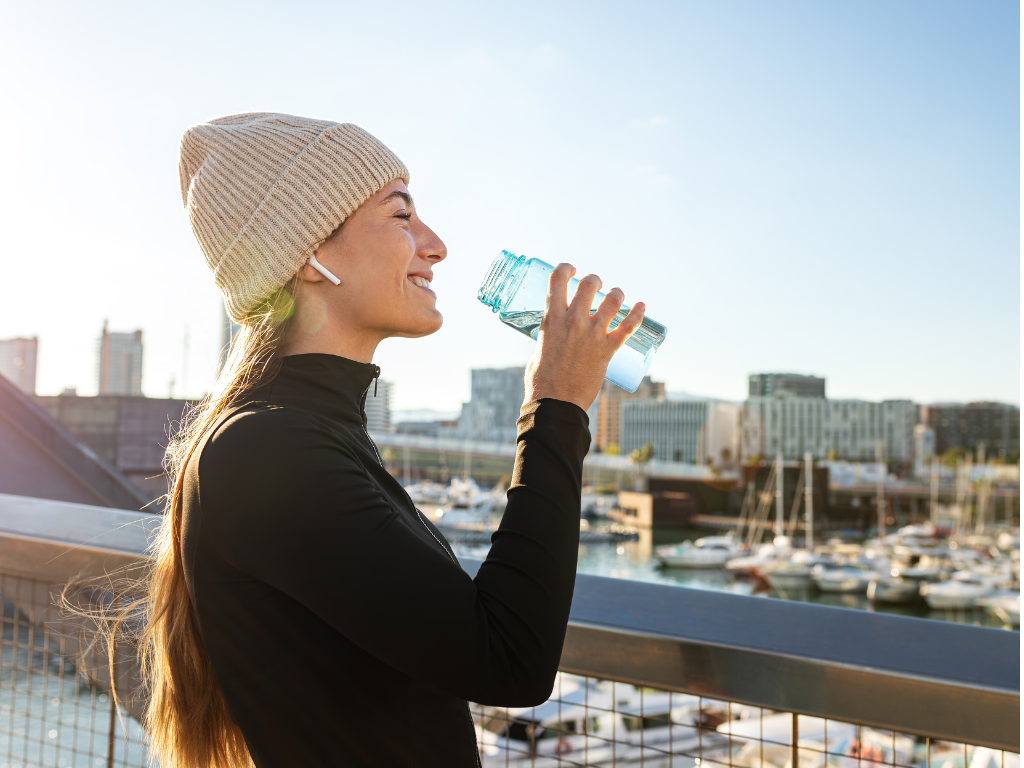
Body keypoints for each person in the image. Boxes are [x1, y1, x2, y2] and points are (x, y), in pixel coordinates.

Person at [143, 112, 644, 767]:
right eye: (402, 215)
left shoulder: (296, 435)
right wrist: (556, 408)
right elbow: (508, 660)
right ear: (312, 254)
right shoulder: (270, 452)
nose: (434, 246)